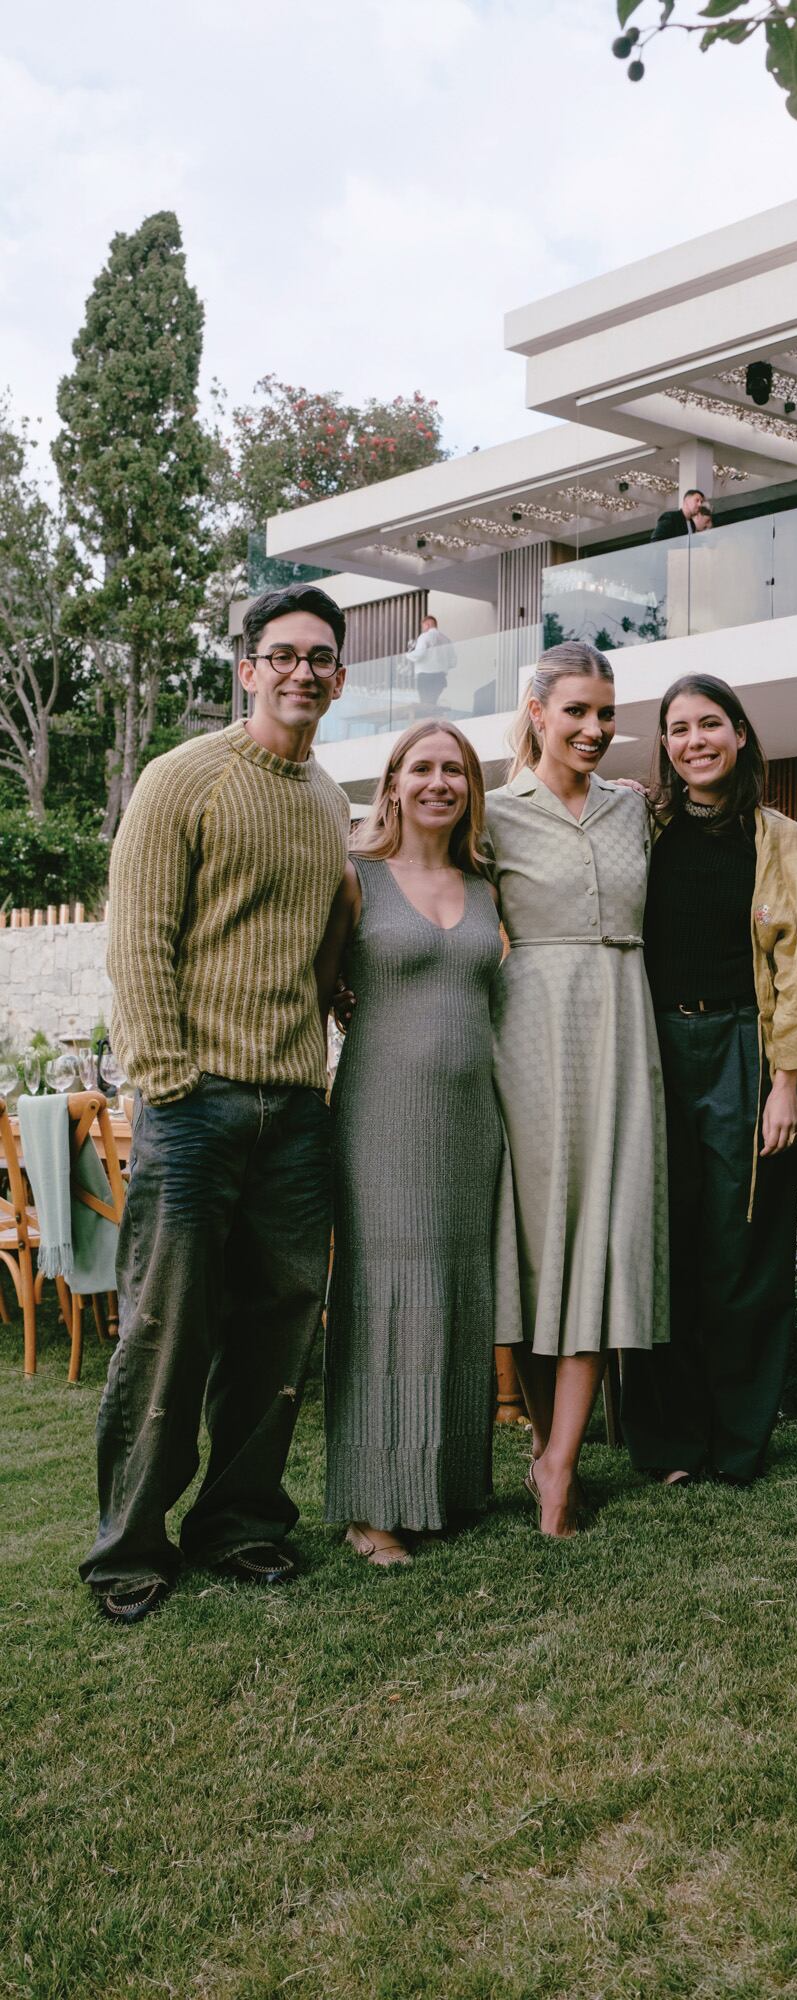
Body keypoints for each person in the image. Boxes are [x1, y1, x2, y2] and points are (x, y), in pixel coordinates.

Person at [80, 584, 350, 1624]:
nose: (302, 672)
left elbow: (318, 946)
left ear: (338, 673)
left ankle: (239, 1523)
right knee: (166, 1326)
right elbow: (137, 937)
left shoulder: (327, 797)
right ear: (246, 668)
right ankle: (128, 1545)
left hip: (295, 1105)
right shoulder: (180, 778)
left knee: (278, 1329)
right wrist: (167, 1078)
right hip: (195, 1106)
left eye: (321, 656)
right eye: (283, 654)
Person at [484, 640, 668, 1536]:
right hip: (528, 1034)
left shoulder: (633, 811)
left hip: (623, 1029)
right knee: (534, 1231)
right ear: (536, 711)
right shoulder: (490, 815)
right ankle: (538, 1440)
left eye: (606, 713)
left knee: (605, 1227)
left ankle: (560, 1461)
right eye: (577, 712)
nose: (595, 729)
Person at [316, 721, 507, 1567]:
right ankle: (372, 1506)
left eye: (455, 770)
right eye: (421, 768)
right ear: (392, 783)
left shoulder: (487, 883)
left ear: (470, 786)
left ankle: (447, 1487)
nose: (439, 782)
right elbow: (320, 989)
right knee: (386, 1294)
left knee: (460, 1291)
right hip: (383, 1114)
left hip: (474, 1117)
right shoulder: (357, 879)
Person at [620, 675, 797, 1487]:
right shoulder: (637, 828)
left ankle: (739, 1443)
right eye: (677, 729)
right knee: (662, 1241)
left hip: (745, 1041)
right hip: (651, 1046)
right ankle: (669, 1446)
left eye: (709, 724)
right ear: (664, 745)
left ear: (739, 733)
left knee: (745, 1246)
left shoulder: (782, 843)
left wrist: (786, 1084)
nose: (694, 740)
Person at [407, 614, 455, 714]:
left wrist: (408, 655)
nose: (423, 629)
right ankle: (434, 724)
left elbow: (419, 654)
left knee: (425, 706)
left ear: (427, 625)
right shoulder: (446, 640)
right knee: (433, 704)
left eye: (423, 626)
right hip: (441, 677)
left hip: (426, 676)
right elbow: (453, 662)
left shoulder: (425, 636)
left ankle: (428, 726)